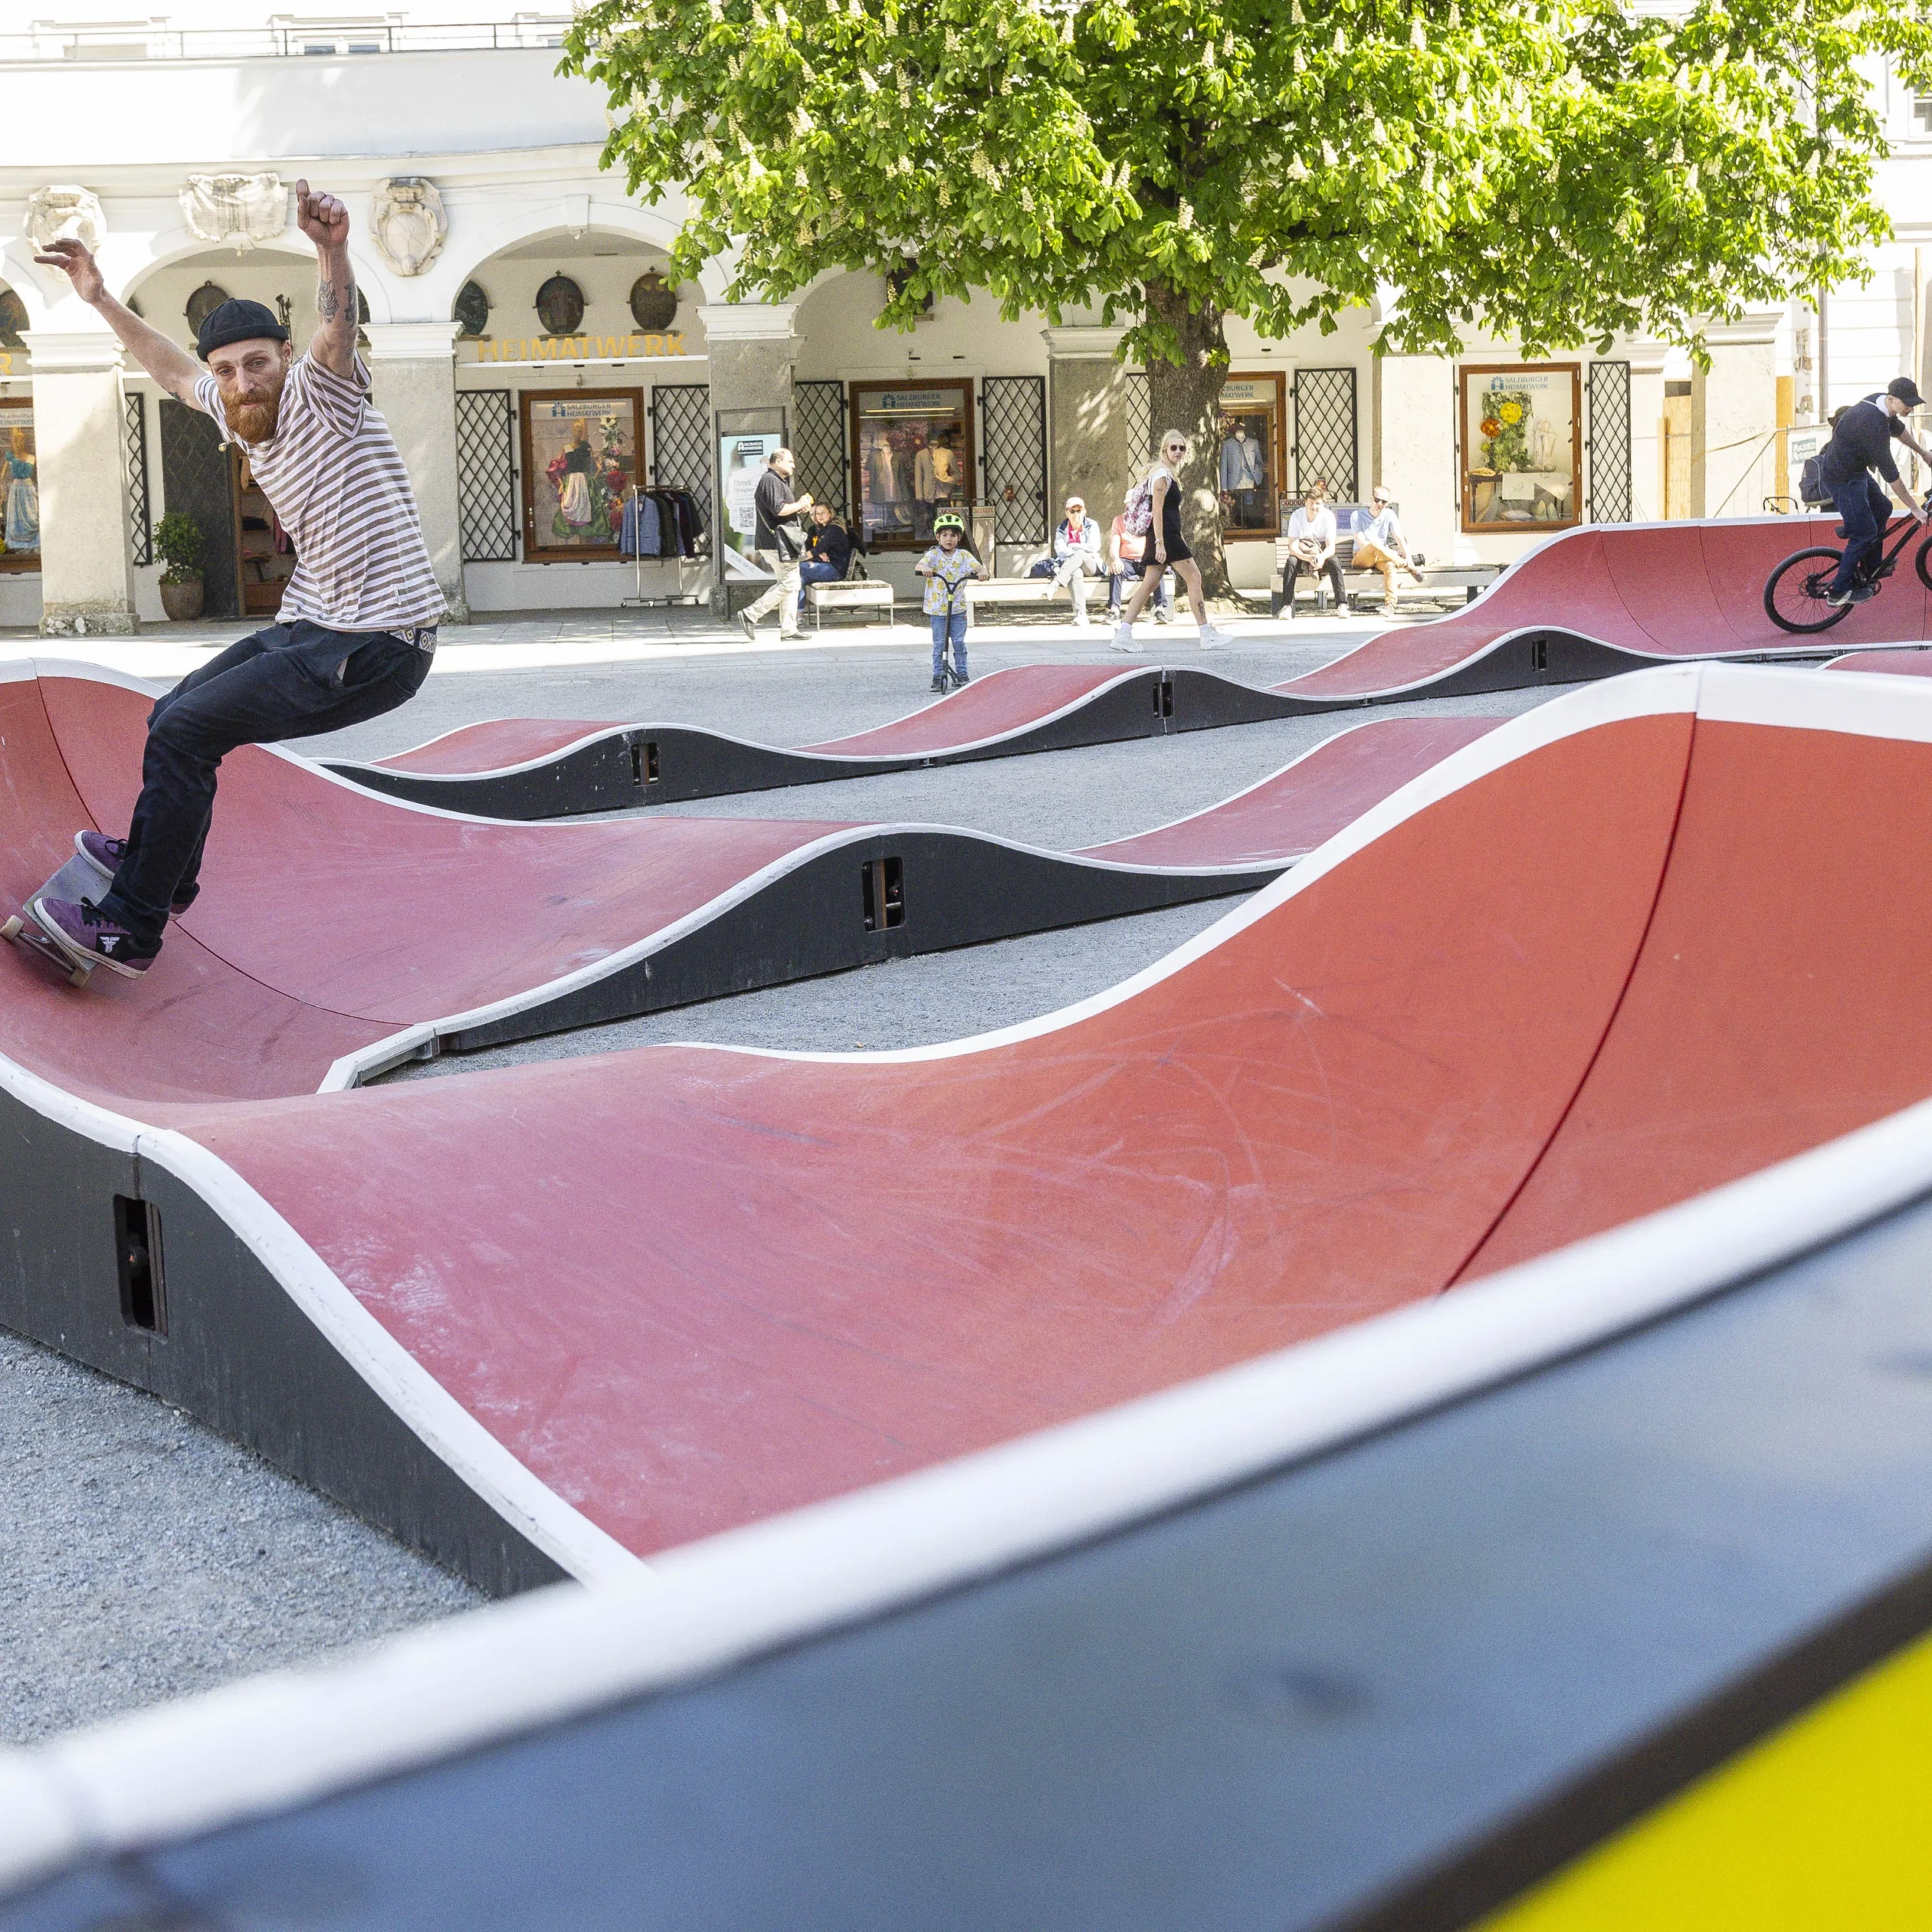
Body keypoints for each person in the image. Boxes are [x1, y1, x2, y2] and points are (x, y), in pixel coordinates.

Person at [30, 182, 441, 979]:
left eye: (257, 363)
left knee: (188, 735)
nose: (245, 382)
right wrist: (101, 298)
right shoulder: (231, 406)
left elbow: (336, 327)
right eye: (231, 370)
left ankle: (133, 926)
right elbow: (170, 367)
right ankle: (163, 868)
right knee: (172, 714)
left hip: (380, 642)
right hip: (316, 625)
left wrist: (330, 248)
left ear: (282, 358)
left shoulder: (325, 394)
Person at [1110, 432, 1231, 652]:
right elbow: (1157, 511)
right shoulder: (1161, 475)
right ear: (1164, 450)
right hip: (1165, 537)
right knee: (1194, 577)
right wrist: (1159, 542)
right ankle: (1206, 634)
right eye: (1173, 448)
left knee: (1149, 585)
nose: (1178, 452)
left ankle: (1124, 633)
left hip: (1166, 536)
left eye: (1181, 448)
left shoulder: (1166, 474)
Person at [1817, 377, 1932, 605]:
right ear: (1892, 399)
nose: (1910, 408)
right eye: (1907, 404)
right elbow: (1892, 475)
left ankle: (1873, 564)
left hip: (1856, 473)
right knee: (1864, 533)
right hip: (1842, 479)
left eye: (1913, 404)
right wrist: (1914, 508)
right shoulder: (1873, 424)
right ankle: (1839, 592)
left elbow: (1899, 430)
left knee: (1883, 508)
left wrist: (1923, 453)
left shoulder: (1880, 404)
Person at [740, 447, 812, 640]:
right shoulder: (770, 480)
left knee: (791, 584)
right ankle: (750, 614)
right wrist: (801, 502)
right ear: (777, 462)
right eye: (790, 461)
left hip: (779, 542)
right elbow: (779, 510)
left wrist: (799, 507)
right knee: (790, 582)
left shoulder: (777, 481)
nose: (793, 465)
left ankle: (789, 629)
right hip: (776, 543)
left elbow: (781, 509)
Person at [915, 509, 987, 689]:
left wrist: (982, 572)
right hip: (937, 609)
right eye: (945, 535)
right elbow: (920, 564)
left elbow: (978, 566)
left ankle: (962, 672)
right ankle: (938, 675)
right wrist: (924, 568)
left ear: (959, 538)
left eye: (953, 535)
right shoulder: (934, 555)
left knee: (959, 643)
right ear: (938, 537)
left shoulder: (963, 555)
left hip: (958, 608)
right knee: (939, 644)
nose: (949, 539)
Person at [1349, 485, 1428, 617]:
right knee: (1373, 545)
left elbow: (1399, 537)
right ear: (1371, 499)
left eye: (1383, 502)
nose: (1379, 504)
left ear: (1387, 503)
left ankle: (1390, 606)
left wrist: (1408, 556)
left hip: (1381, 557)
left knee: (1390, 566)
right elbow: (1361, 543)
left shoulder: (1389, 514)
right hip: (1362, 556)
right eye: (1377, 500)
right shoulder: (1357, 515)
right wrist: (1406, 562)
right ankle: (1409, 567)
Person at [1029, 495, 1105, 625]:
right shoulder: (1061, 529)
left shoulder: (1092, 525)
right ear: (1067, 513)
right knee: (1076, 573)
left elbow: (1094, 546)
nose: (1076, 514)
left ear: (1084, 511)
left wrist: (1075, 548)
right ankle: (1081, 614)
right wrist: (1077, 552)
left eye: (1079, 510)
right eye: (1072, 511)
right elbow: (1060, 551)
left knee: (1080, 555)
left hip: (1092, 565)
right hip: (1072, 566)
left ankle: (1055, 583)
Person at [1281, 484, 1347, 618]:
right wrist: (1307, 558)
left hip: (1322, 552)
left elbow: (1331, 547)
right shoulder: (1296, 516)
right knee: (1291, 562)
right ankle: (1286, 606)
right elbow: (1292, 547)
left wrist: (1321, 558)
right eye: (1311, 503)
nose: (1314, 507)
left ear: (1323, 504)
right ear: (1305, 502)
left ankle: (1342, 605)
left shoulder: (1328, 516)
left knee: (1334, 562)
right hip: (1303, 551)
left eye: (1318, 503)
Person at [1106, 502, 1172, 622]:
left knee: (1157, 569)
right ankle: (1114, 609)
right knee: (1116, 569)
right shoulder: (1119, 520)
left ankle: (1160, 609)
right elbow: (1114, 544)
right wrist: (1116, 559)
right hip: (1127, 560)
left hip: (1145, 559)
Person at [797, 501, 853, 614]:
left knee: (797, 567)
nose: (820, 516)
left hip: (835, 570)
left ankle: (796, 615)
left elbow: (818, 548)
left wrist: (796, 560)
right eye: (817, 513)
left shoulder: (834, 529)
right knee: (798, 580)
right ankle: (798, 615)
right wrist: (821, 553)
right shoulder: (823, 528)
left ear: (830, 513)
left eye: (823, 513)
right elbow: (820, 548)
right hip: (826, 566)